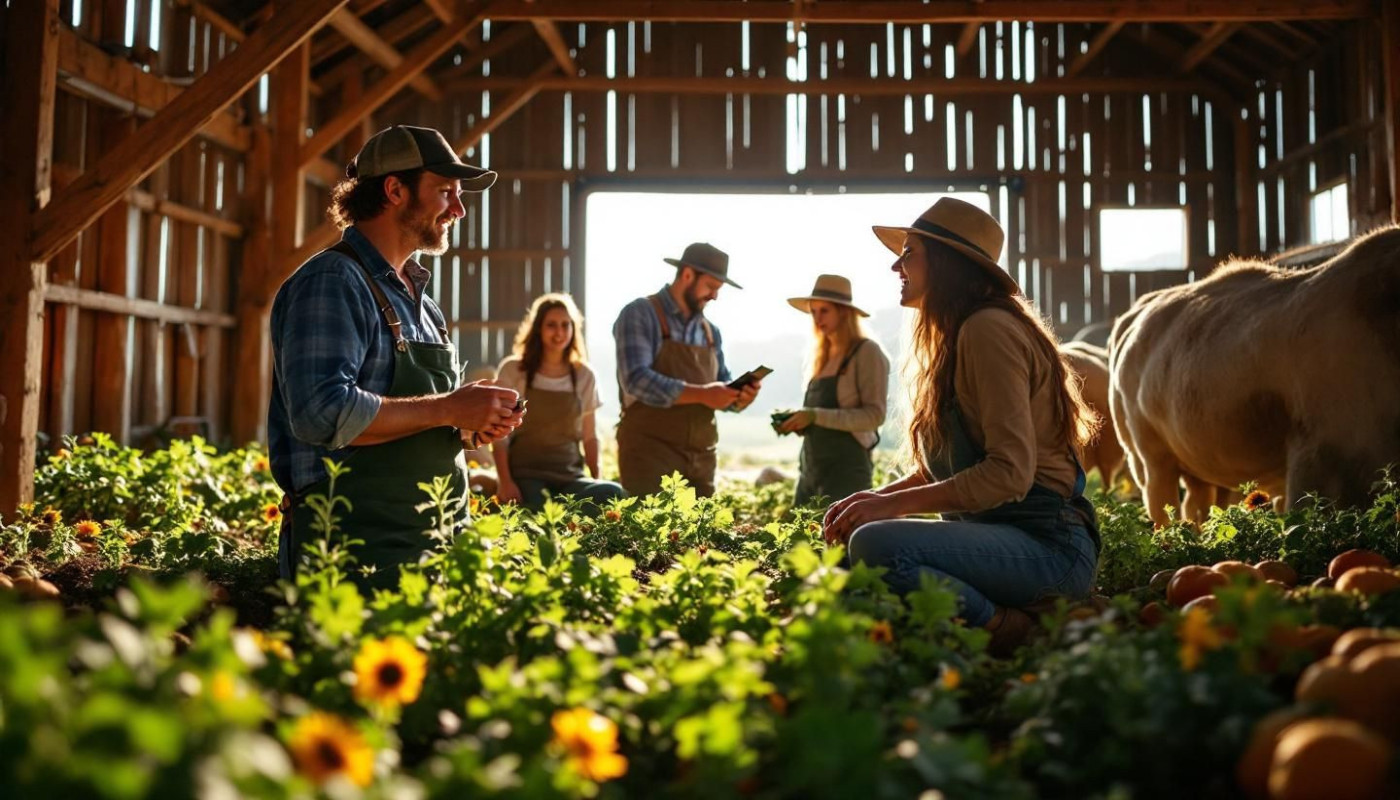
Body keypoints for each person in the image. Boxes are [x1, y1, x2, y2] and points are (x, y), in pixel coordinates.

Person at [822, 198, 1101, 657]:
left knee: (877, 545)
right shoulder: (958, 336)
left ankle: (1011, 628)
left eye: (909, 253)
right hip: (1000, 542)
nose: (896, 265)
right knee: (855, 553)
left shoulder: (988, 330)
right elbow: (949, 469)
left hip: (1047, 549)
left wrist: (887, 513)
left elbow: (1007, 474)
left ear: (947, 262)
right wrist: (875, 498)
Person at [269, 125, 524, 590]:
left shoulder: (422, 301)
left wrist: (467, 427)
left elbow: (415, 420)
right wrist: (447, 407)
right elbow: (320, 414)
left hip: (437, 542)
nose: (460, 209)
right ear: (394, 190)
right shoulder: (333, 281)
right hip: (354, 555)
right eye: (446, 192)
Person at [613, 242, 761, 497]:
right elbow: (636, 380)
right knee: (650, 534)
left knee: (700, 535)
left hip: (701, 460)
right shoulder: (640, 313)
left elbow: (720, 387)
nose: (715, 295)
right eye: (712, 286)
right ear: (687, 274)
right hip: (649, 454)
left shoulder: (710, 332)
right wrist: (704, 393)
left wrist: (739, 398)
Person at [493, 293, 625, 510]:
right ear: (538, 329)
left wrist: (596, 479)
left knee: (612, 494)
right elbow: (500, 438)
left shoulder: (584, 375)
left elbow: (590, 437)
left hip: (570, 480)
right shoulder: (514, 371)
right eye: (551, 325)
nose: (560, 332)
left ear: (574, 329)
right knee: (539, 513)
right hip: (526, 479)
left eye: (566, 325)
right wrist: (505, 483)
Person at [778, 274, 890, 506]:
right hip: (810, 471)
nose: (817, 318)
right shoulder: (820, 356)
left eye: (824, 311)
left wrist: (815, 415)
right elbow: (819, 418)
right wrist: (801, 421)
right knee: (800, 542)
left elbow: (874, 416)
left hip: (846, 474)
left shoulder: (867, 352)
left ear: (844, 312)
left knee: (837, 542)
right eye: (814, 312)